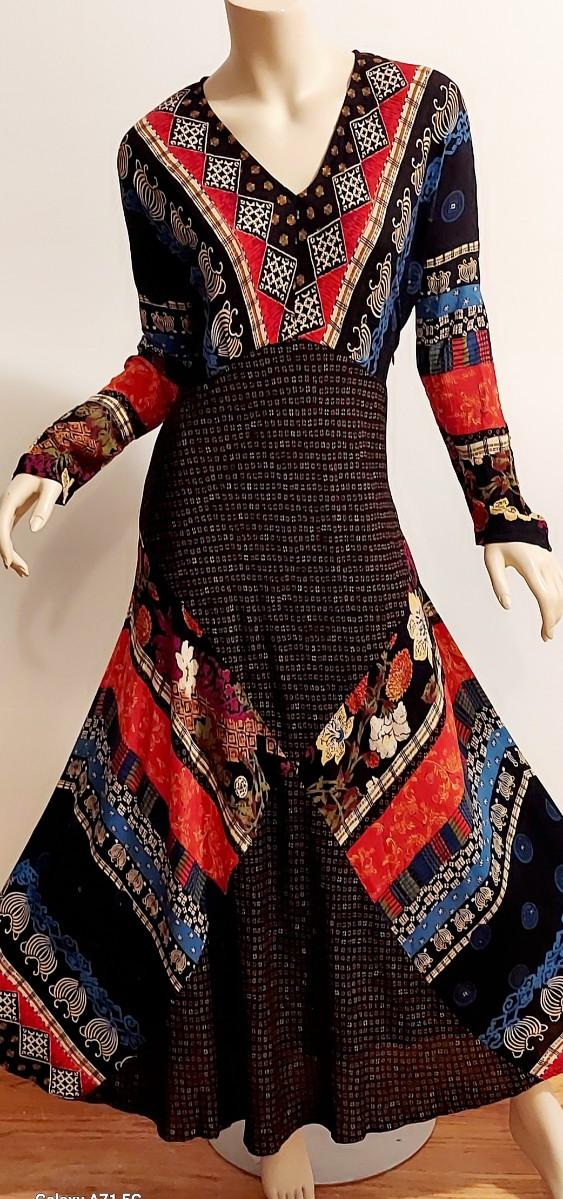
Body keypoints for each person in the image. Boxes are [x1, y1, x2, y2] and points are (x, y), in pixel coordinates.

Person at [1, 6, 562, 1199]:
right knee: (238, 833)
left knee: (439, 801)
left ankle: (529, 1084)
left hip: (346, 533)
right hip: (203, 541)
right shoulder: (155, 150)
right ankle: (275, 1131)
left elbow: (453, 335)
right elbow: (165, 354)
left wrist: (503, 512)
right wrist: (60, 456)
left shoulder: (422, 113)